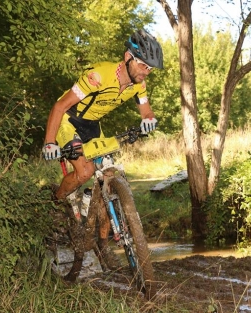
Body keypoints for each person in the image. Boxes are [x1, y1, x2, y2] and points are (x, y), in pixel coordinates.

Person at [42, 29, 163, 270]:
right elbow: (59, 106)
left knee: (107, 175)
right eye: (142, 65)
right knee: (85, 172)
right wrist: (50, 142)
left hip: (92, 125)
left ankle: (103, 244)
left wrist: (148, 119)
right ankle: (55, 204)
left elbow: (145, 109)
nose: (145, 71)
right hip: (68, 119)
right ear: (128, 57)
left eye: (149, 68)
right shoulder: (98, 76)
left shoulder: (138, 85)